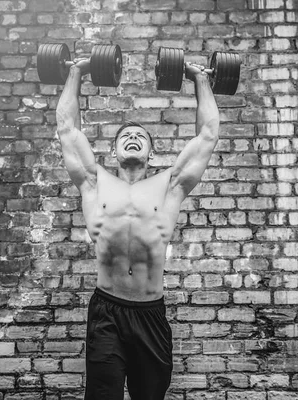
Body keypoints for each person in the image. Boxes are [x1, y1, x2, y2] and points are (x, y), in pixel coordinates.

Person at [54, 55, 220, 400]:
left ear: (152, 154)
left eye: (139, 136)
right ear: (113, 153)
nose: (132, 137)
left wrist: (199, 78)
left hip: (150, 314)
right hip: (106, 313)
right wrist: (76, 71)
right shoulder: (94, 182)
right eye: (125, 135)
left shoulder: (169, 185)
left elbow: (207, 134)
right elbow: (67, 128)